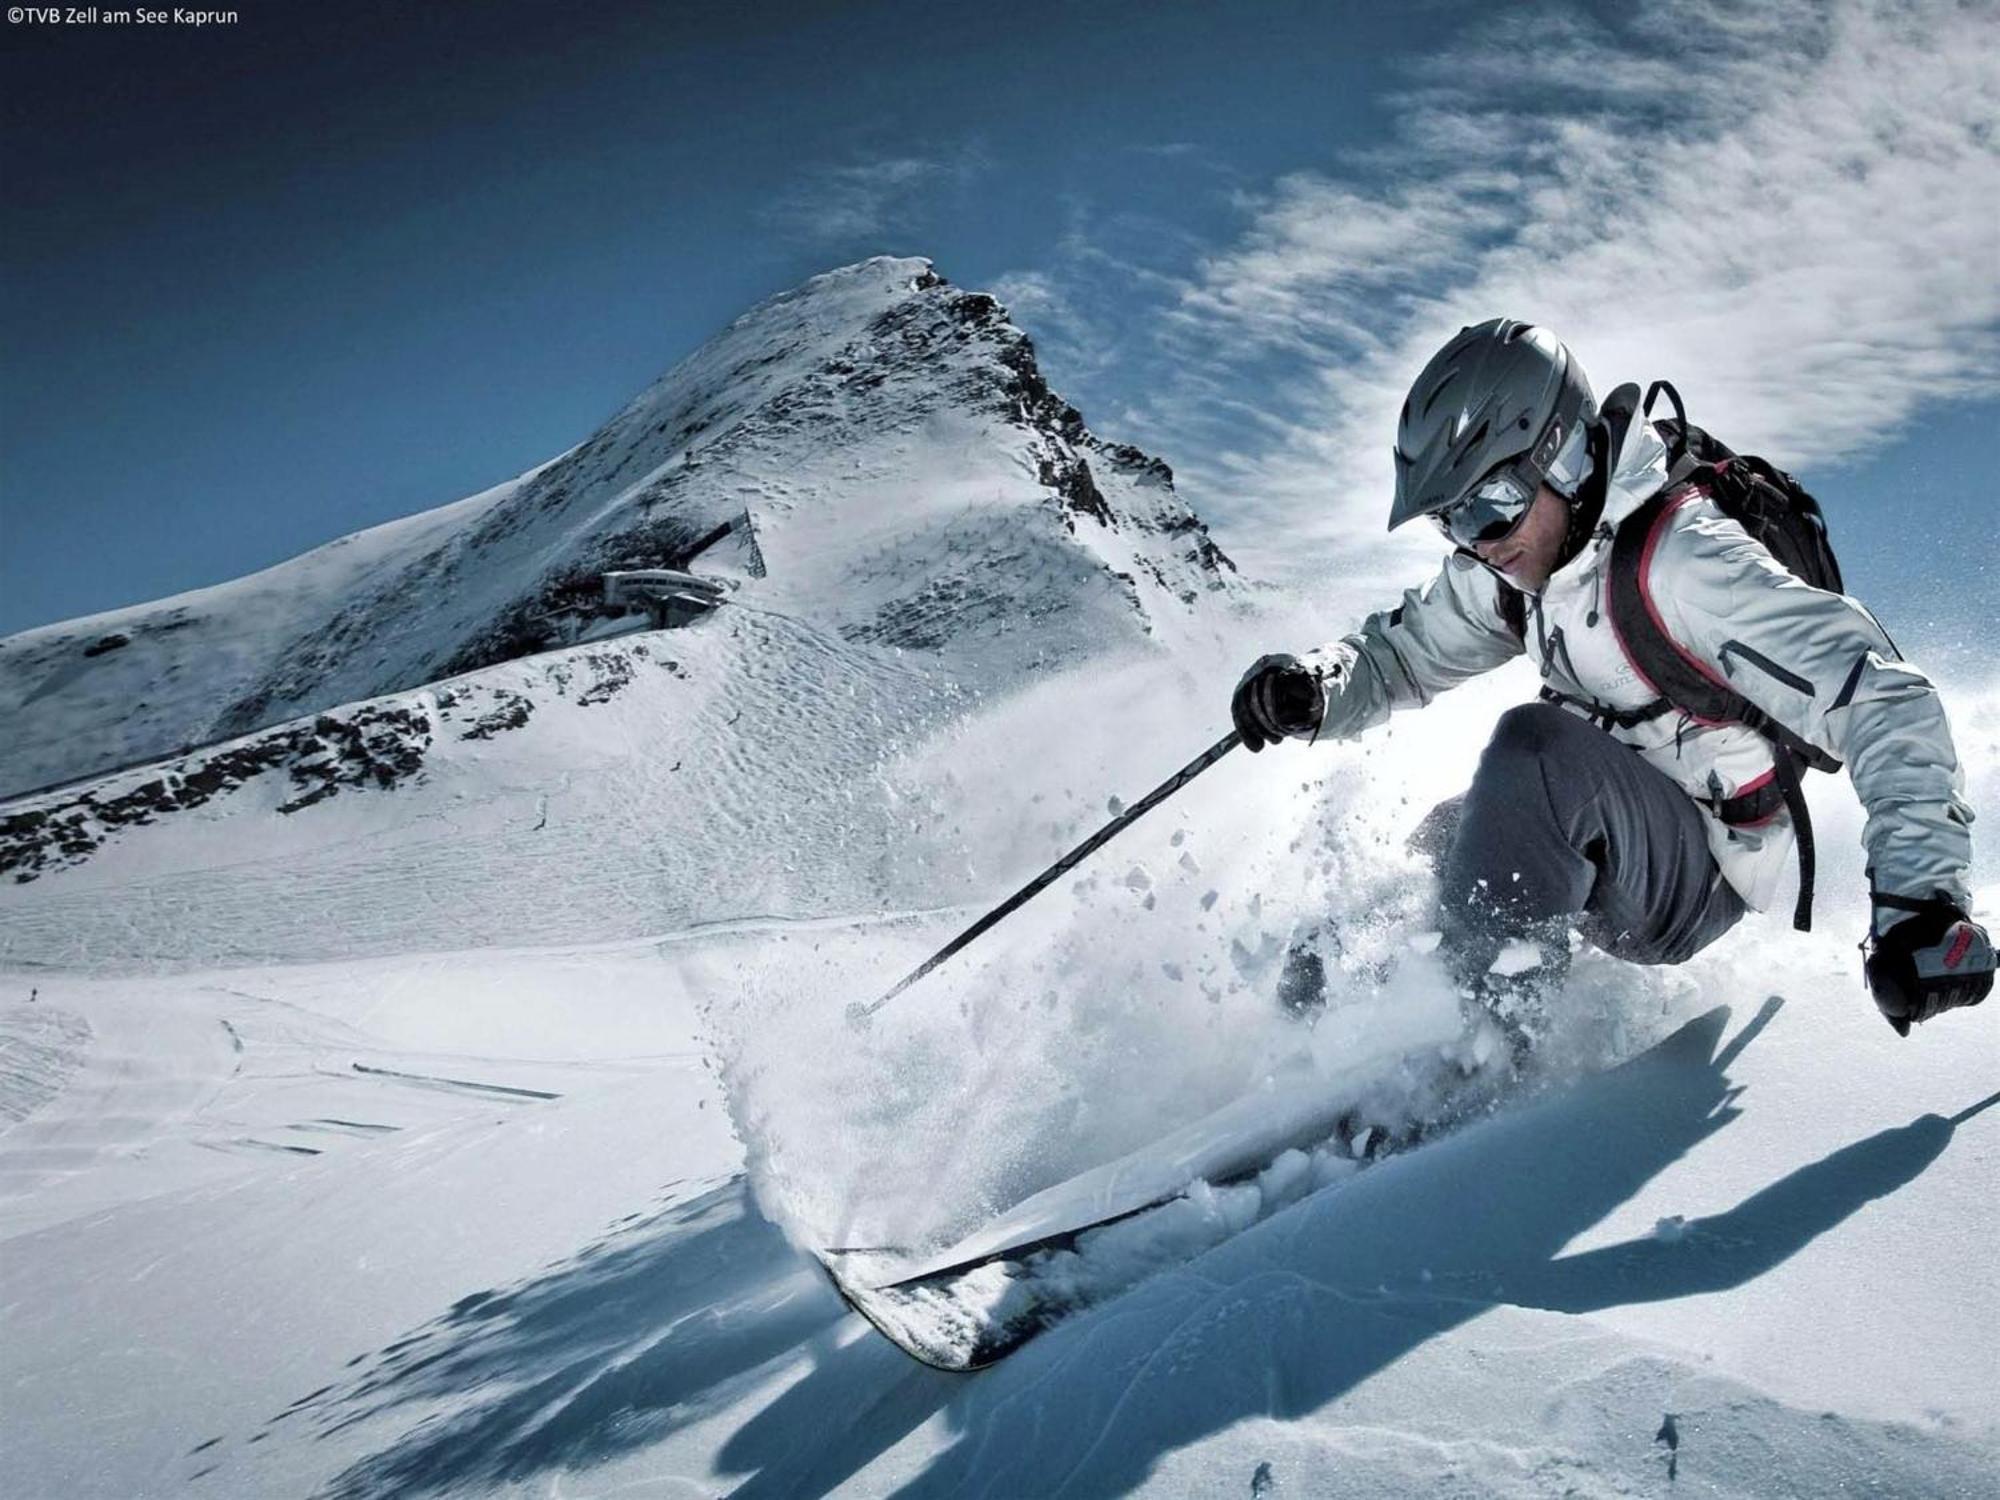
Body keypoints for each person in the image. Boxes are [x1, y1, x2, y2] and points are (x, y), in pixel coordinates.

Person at [1232, 319, 1991, 1045]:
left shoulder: (1686, 562)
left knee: (1534, 754)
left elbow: (1885, 699)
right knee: (1439, 845)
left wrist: (1920, 904)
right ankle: (1305, 1057)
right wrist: (1317, 687)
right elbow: (1402, 653)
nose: (1479, 543)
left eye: (1492, 509)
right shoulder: (1517, 564)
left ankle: (1471, 1061)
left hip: (1705, 872)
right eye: (1454, 523)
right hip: (1617, 832)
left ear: (1559, 457)